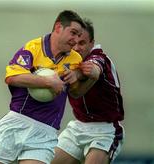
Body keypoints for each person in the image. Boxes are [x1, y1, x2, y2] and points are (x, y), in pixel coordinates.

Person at [0, 10, 86, 164]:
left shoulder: (75, 59)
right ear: (58, 27)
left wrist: (78, 75)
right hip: (17, 122)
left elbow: (76, 92)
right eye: (73, 33)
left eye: (79, 36)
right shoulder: (33, 48)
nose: (76, 40)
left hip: (46, 130)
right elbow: (12, 77)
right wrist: (48, 82)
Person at [51, 19, 125, 164]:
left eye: (82, 43)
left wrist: (83, 73)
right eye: (74, 43)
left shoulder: (99, 57)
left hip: (105, 130)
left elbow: (94, 69)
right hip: (78, 127)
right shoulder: (66, 59)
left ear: (92, 43)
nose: (77, 48)